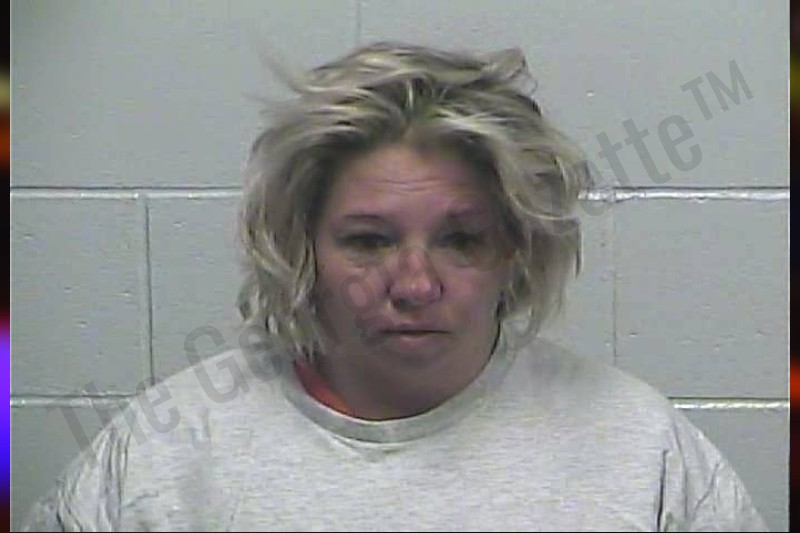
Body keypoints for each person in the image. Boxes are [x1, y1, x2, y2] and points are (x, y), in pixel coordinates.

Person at [23, 42, 767, 531]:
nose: (414, 285)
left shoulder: (639, 450)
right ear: (302, 246)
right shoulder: (165, 451)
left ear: (516, 248)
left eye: (461, 240)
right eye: (369, 241)